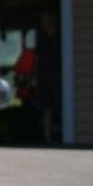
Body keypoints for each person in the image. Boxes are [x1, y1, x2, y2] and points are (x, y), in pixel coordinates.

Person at [34, 13, 62, 143]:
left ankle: (63, 137)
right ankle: (48, 141)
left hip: (57, 77)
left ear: (52, 22)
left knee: (60, 107)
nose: (42, 24)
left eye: (45, 21)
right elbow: (37, 58)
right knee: (46, 110)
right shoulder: (42, 39)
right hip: (44, 77)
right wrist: (35, 74)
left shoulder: (60, 38)